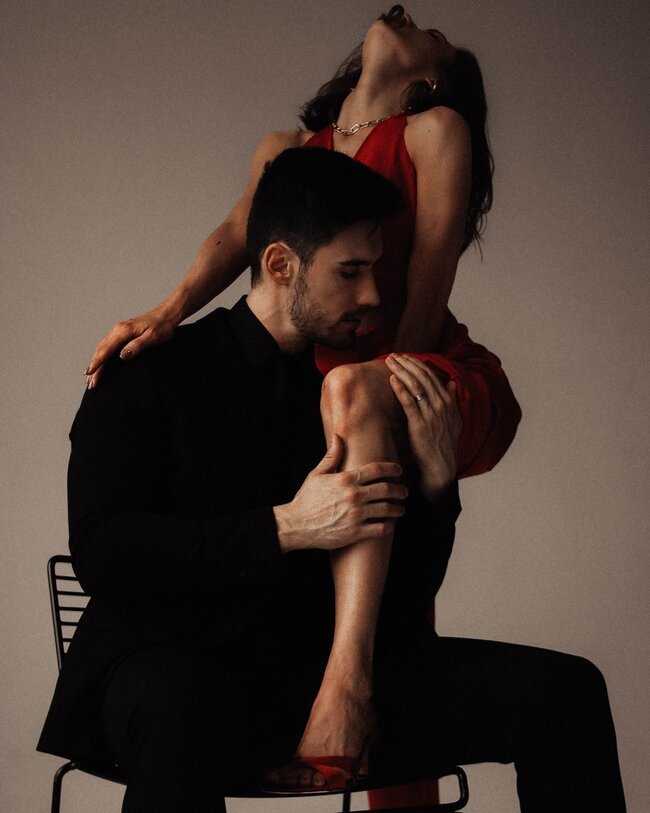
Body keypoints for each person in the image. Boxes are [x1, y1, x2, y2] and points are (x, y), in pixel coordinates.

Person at [38, 148, 626, 813]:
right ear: (280, 265)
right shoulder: (148, 372)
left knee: (565, 691)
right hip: (172, 662)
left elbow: (404, 599)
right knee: (182, 706)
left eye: (376, 268)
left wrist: (436, 486)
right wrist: (287, 526)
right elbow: (104, 551)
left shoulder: (356, 393)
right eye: (350, 272)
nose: (373, 295)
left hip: (318, 681)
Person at [80, 8, 522, 796]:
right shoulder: (287, 150)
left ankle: (347, 690)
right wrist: (165, 312)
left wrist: (385, 400)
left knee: (353, 395)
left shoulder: (436, 129)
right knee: (368, 570)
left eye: (436, 35)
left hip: (421, 367)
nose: (411, 15)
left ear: (432, 77)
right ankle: (361, 711)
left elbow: (425, 290)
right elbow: (237, 232)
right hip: (343, 386)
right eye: (350, 271)